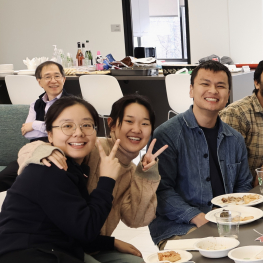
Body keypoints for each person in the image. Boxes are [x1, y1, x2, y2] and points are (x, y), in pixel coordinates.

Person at [15, 94, 168, 263]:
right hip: (53, 247)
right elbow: (29, 153)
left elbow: (136, 220)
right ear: (111, 124)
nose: (137, 129)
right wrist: (47, 152)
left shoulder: (132, 171)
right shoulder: (87, 148)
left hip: (88, 244)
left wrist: (146, 174)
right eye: (129, 121)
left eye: (145, 123)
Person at [0, 96, 121, 263]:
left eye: (86, 125)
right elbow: (86, 228)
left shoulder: (72, 168)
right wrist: (107, 179)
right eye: (67, 126)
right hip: (29, 254)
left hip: (54, 248)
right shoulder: (48, 168)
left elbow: (71, 225)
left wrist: (111, 242)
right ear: (49, 135)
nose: (78, 132)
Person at [149, 61, 253, 248]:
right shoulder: (167, 135)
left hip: (227, 222)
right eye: (205, 84)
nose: (213, 91)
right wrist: (198, 218)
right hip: (179, 226)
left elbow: (243, 184)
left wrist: (236, 214)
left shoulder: (235, 138)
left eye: (220, 86)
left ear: (228, 95)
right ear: (191, 90)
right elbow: (161, 191)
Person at [0, 61, 70, 191]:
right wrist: (48, 128)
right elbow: (27, 134)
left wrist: (34, 124)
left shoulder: (71, 103)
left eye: (57, 76)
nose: (53, 80)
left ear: (64, 79)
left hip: (60, 150)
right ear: (39, 82)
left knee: (39, 178)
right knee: (4, 176)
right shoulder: (36, 104)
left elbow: (64, 130)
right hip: (35, 150)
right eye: (47, 77)